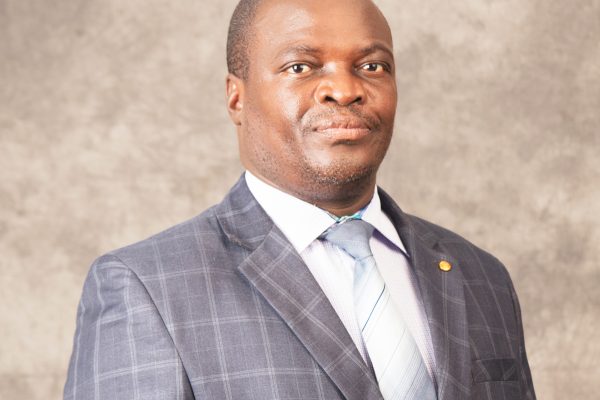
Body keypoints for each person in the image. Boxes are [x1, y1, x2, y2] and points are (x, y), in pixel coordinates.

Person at [64, 0, 536, 399]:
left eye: (372, 66)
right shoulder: (146, 287)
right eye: (301, 67)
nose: (345, 90)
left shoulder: (481, 276)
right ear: (236, 98)